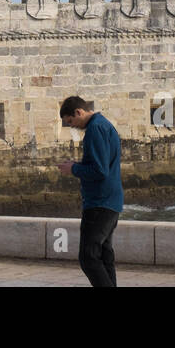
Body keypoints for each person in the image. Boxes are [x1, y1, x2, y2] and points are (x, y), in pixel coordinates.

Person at [58, 96, 123, 288]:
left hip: (99, 202)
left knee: (88, 257)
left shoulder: (95, 129)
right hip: (111, 200)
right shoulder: (105, 125)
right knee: (104, 255)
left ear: (79, 112)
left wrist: (73, 169)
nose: (73, 126)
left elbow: (99, 170)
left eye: (71, 121)